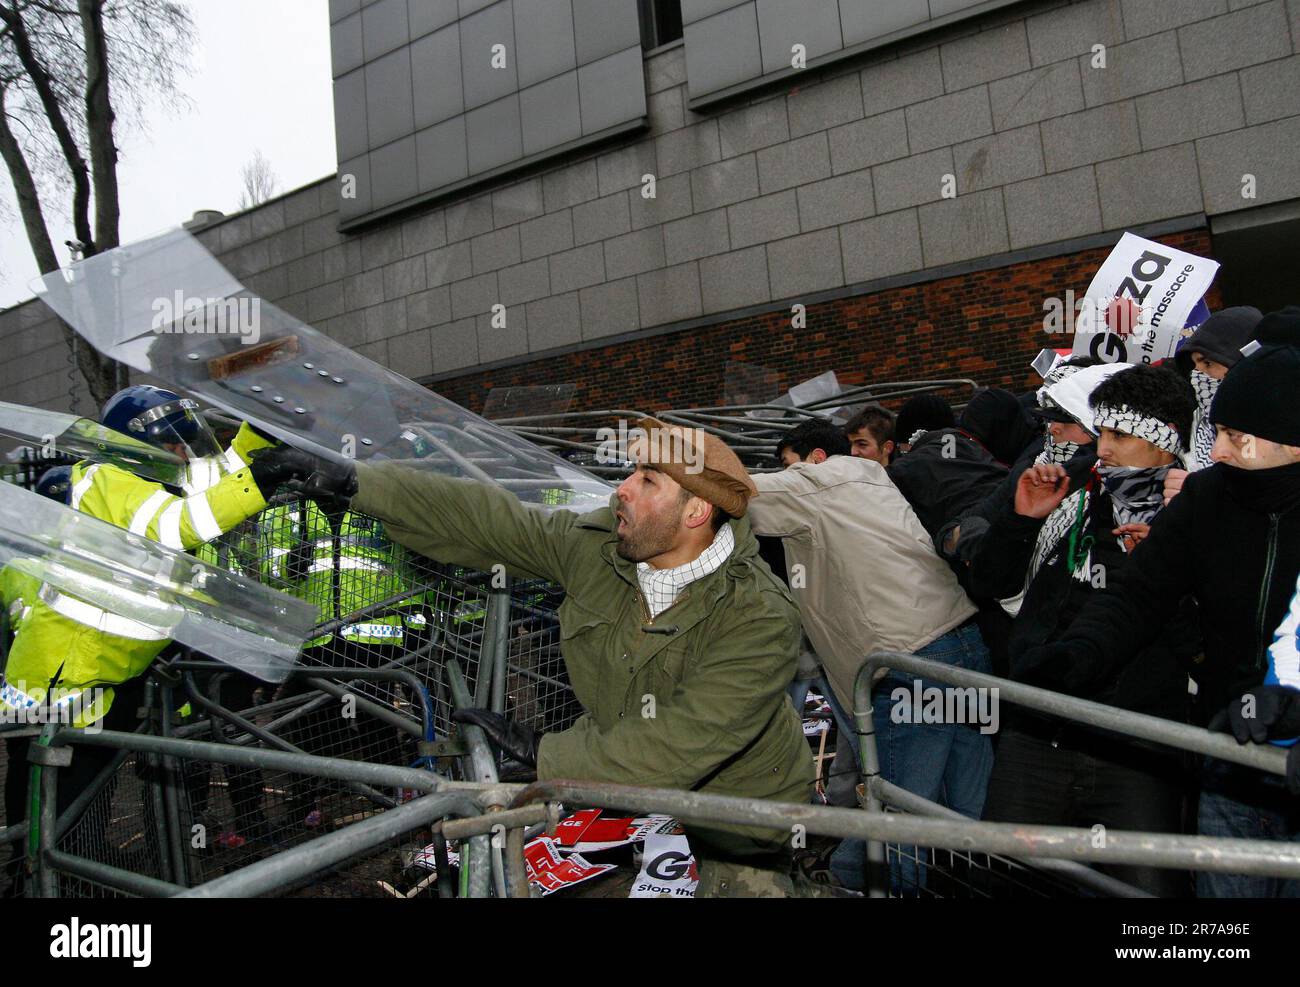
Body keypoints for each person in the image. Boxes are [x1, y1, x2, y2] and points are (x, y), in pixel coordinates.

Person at [253, 416, 818, 897]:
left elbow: (680, 741)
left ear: (696, 513)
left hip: (737, 818)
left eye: (647, 481)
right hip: (629, 791)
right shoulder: (598, 552)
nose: (622, 489)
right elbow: (489, 521)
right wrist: (357, 484)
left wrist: (544, 755)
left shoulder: (760, 616)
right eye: (630, 473)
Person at [1017, 309, 1300, 898]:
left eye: (1234, 436)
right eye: (1215, 430)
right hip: (1230, 757)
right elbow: (1140, 594)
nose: (1214, 449)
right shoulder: (1206, 500)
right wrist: (1077, 654)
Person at [0, 386, 282, 869]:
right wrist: (263, 480)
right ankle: (48, 872)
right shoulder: (107, 481)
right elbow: (180, 525)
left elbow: (215, 477)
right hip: (67, 672)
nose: (182, 455)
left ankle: (72, 861)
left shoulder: (147, 485)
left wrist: (261, 428)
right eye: (174, 446)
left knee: (90, 780)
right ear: (140, 444)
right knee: (59, 784)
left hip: (102, 665)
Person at [969, 364, 1200, 897]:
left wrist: (1168, 578)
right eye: (1104, 434)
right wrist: (1020, 522)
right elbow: (992, 586)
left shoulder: (1194, 520)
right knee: (1004, 882)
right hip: (1039, 737)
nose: (1105, 449)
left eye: (1121, 436)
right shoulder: (1072, 504)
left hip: (1139, 750)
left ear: (1165, 444)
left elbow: (1209, 646)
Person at [747, 418, 987, 892]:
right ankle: (954, 886)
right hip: (960, 639)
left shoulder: (811, 483)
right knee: (963, 805)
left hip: (905, 664)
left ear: (814, 458)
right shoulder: (873, 476)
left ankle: (862, 880)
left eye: (787, 465)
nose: (784, 476)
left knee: (895, 813)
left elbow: (737, 497)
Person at [1164, 307, 1264, 502]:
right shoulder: (1198, 423)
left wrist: (1206, 492)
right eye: (1194, 366)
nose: (1197, 376)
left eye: (1207, 363)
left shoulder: (1280, 420)